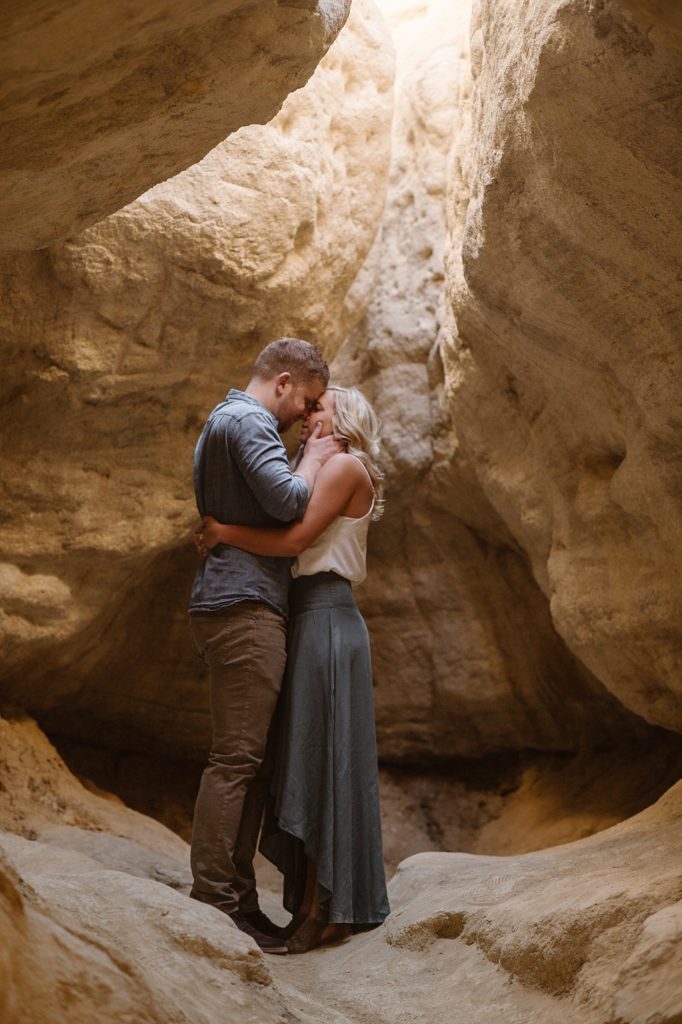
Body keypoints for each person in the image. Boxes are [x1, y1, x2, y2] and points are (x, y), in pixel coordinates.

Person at [196, 385, 390, 953]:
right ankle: (315, 905)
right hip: (307, 615)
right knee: (309, 758)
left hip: (327, 615)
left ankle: (321, 911)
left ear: (343, 419)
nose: (307, 417)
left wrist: (223, 532)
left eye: (318, 409)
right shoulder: (324, 466)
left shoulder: (345, 466)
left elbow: (296, 539)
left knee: (325, 760)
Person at [188, 337, 341, 955]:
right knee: (235, 763)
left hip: (234, 601)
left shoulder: (223, 421)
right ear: (283, 383)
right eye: (306, 401)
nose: (305, 415)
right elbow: (290, 500)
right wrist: (315, 456)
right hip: (243, 605)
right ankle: (215, 902)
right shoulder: (249, 420)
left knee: (247, 766)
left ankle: (240, 902)